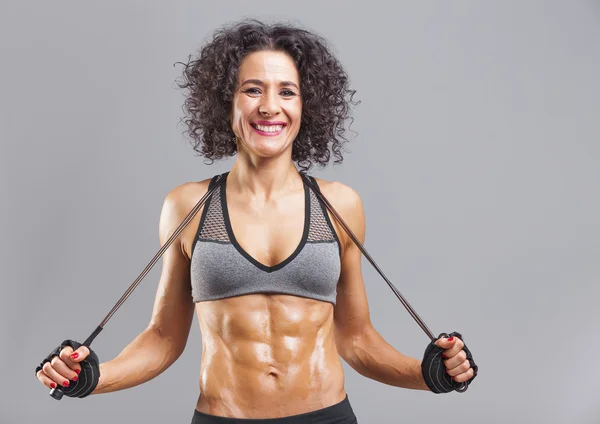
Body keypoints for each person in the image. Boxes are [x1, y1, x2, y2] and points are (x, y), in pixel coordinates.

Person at [35, 19, 477, 423]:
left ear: (307, 106)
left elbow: (357, 340)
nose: (270, 107)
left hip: (326, 415)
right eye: (252, 90)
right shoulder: (187, 207)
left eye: (287, 91)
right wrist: (92, 377)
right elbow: (164, 338)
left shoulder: (340, 206)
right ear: (225, 102)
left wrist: (431, 374)